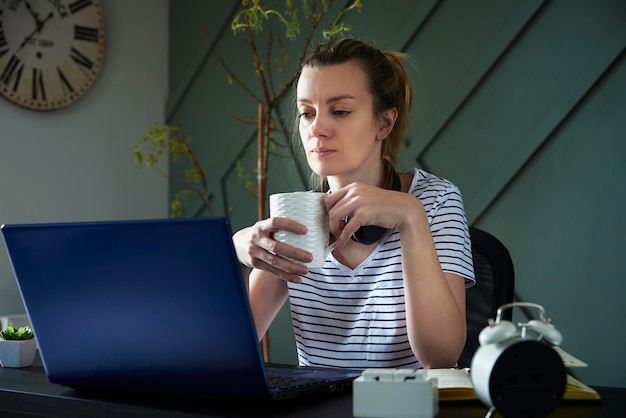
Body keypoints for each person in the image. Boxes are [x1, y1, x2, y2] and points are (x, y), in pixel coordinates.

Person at [233, 38, 475, 370]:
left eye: (341, 111)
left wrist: (410, 216)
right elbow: (231, 351)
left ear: (384, 123)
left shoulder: (434, 201)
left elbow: (441, 357)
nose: (316, 128)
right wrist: (237, 251)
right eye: (307, 113)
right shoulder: (297, 216)